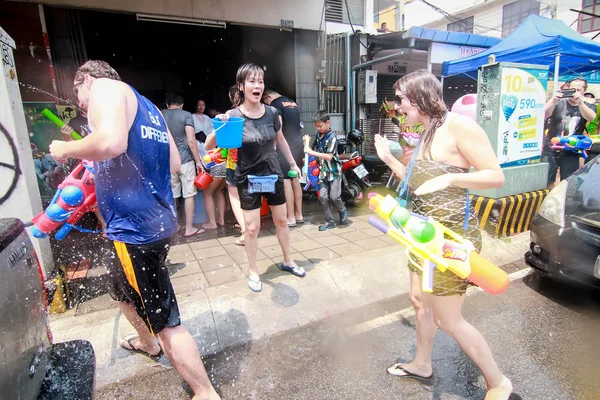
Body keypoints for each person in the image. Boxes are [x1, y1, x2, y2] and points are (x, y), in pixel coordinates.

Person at [48, 60, 220, 400]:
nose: (82, 104)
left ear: (86, 79)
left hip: (134, 230)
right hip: (155, 222)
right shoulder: (149, 108)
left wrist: (65, 148)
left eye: (78, 94)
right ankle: (146, 342)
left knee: (166, 320)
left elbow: (111, 143)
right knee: (118, 285)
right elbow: (172, 163)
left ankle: (204, 392)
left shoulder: (106, 89)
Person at [373, 70, 517, 400]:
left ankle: (499, 383)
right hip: (421, 232)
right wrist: (388, 159)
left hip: (450, 239)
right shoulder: (425, 132)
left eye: (400, 99)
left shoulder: (460, 127)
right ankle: (423, 364)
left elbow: (496, 176)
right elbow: (417, 185)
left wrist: (451, 180)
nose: (397, 107)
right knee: (419, 302)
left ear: (420, 97)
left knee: (448, 319)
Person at [214, 64, 304, 292]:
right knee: (252, 229)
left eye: (260, 81)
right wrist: (220, 126)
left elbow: (280, 140)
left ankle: (288, 260)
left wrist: (293, 163)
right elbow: (209, 145)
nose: (257, 86)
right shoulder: (233, 116)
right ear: (241, 86)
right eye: (252, 81)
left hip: (272, 174)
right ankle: (253, 271)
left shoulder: (272, 112)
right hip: (247, 178)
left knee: (282, 220)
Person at [205, 85, 246, 245]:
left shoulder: (230, 116)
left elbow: (211, 145)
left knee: (236, 195)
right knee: (245, 197)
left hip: (235, 163)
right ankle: (247, 228)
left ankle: (245, 230)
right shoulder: (253, 113)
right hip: (246, 163)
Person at [163, 94, 204, 237]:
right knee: (189, 195)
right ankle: (189, 228)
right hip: (185, 160)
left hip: (168, 162)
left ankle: (174, 226)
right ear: (181, 105)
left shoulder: (161, 115)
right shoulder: (186, 115)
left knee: (171, 195)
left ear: (168, 105)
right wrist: (198, 161)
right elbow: (191, 140)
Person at [262, 88, 305, 226]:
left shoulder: (275, 104)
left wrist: (273, 147)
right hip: (298, 146)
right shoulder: (292, 102)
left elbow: (278, 129)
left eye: (265, 101)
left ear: (268, 97)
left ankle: (290, 217)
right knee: (295, 179)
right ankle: (299, 215)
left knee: (286, 181)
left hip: (285, 148)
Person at [544, 78, 596, 189]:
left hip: (571, 148)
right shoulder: (559, 103)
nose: (575, 92)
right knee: (547, 179)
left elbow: (591, 117)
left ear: (584, 90)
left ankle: (562, 202)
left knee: (568, 180)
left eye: (578, 89)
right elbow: (544, 114)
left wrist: (580, 103)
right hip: (551, 145)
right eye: (572, 89)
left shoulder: (587, 105)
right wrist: (553, 99)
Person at [304, 110, 348, 231]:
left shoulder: (332, 137)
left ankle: (342, 210)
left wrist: (312, 152)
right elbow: (311, 148)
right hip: (323, 172)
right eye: (317, 126)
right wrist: (306, 143)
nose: (319, 129)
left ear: (328, 122)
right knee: (323, 197)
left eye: (321, 126)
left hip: (334, 172)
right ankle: (330, 221)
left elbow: (329, 156)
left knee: (334, 197)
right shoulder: (318, 136)